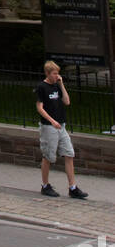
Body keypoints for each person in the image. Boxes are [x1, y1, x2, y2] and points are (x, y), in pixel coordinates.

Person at [36, 60, 88, 199]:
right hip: (49, 127)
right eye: (54, 74)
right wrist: (52, 121)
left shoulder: (57, 86)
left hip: (61, 126)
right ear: (47, 73)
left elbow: (67, 101)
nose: (56, 76)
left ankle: (73, 187)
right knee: (48, 156)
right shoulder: (42, 87)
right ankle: (45, 185)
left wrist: (61, 84)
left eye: (57, 73)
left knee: (69, 154)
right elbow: (39, 108)